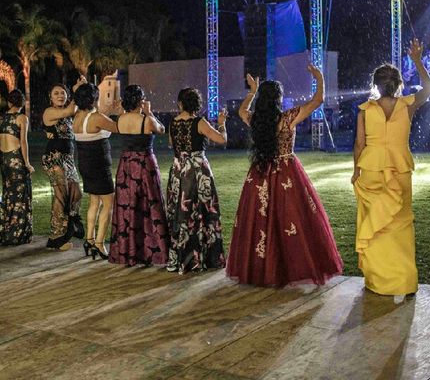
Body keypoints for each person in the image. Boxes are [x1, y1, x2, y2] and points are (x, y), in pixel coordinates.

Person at [226, 66, 343, 287]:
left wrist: (252, 92)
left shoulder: (256, 121)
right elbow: (318, 101)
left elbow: (242, 111)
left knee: (260, 221)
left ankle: (263, 270)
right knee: (292, 218)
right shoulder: (288, 118)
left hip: (260, 173)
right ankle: (286, 269)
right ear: (279, 99)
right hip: (287, 172)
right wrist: (319, 78)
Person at [352, 39, 430, 302]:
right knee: (400, 226)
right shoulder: (408, 104)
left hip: (372, 169)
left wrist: (355, 171)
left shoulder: (365, 110)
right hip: (399, 169)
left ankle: (379, 280)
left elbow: (359, 144)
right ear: (398, 84)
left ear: (375, 85)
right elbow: (429, 88)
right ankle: (406, 282)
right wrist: (418, 61)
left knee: (375, 227)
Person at [166, 88, 227, 274]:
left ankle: (179, 257)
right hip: (197, 170)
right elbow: (221, 139)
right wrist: (222, 124)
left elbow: (171, 143)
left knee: (180, 212)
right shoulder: (200, 122)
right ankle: (203, 256)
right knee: (202, 212)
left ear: (180, 103)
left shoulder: (173, 123)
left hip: (178, 170)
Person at [109, 85, 169, 267]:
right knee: (150, 204)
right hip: (144, 164)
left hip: (126, 164)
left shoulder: (120, 119)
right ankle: (153, 251)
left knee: (128, 206)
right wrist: (150, 112)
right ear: (140, 100)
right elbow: (162, 130)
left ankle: (128, 251)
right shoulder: (146, 120)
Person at [73, 83, 118, 259]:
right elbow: (116, 127)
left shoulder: (77, 117)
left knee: (94, 202)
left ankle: (89, 240)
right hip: (99, 166)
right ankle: (99, 243)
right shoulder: (97, 117)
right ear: (94, 98)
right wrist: (115, 111)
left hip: (85, 165)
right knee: (108, 204)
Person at [42, 80, 86, 251]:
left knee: (76, 194)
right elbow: (71, 109)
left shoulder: (67, 115)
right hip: (54, 158)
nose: (60, 96)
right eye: (56, 93)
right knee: (61, 197)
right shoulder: (49, 112)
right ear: (50, 98)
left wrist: (81, 89)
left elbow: (74, 111)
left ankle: (72, 225)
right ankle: (56, 238)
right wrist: (76, 91)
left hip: (68, 159)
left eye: (63, 93)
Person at [0, 89, 34, 246]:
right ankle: (17, 234)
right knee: (20, 196)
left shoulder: (2, 118)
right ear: (22, 103)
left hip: (4, 159)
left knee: (8, 195)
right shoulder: (22, 118)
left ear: (10, 102)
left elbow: (0, 139)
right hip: (15, 158)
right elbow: (23, 142)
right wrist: (27, 163)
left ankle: (6, 231)